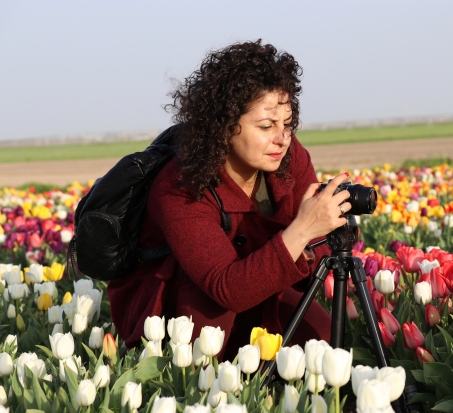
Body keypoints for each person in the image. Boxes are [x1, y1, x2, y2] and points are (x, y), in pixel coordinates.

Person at [107, 40, 352, 360]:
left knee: (327, 345)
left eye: (287, 125)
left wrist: (320, 236)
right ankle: (196, 384)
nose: (282, 139)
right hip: (183, 306)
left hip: (265, 288)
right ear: (224, 126)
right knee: (209, 302)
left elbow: (312, 253)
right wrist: (302, 231)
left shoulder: (289, 159)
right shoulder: (179, 186)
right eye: (266, 126)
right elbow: (226, 288)